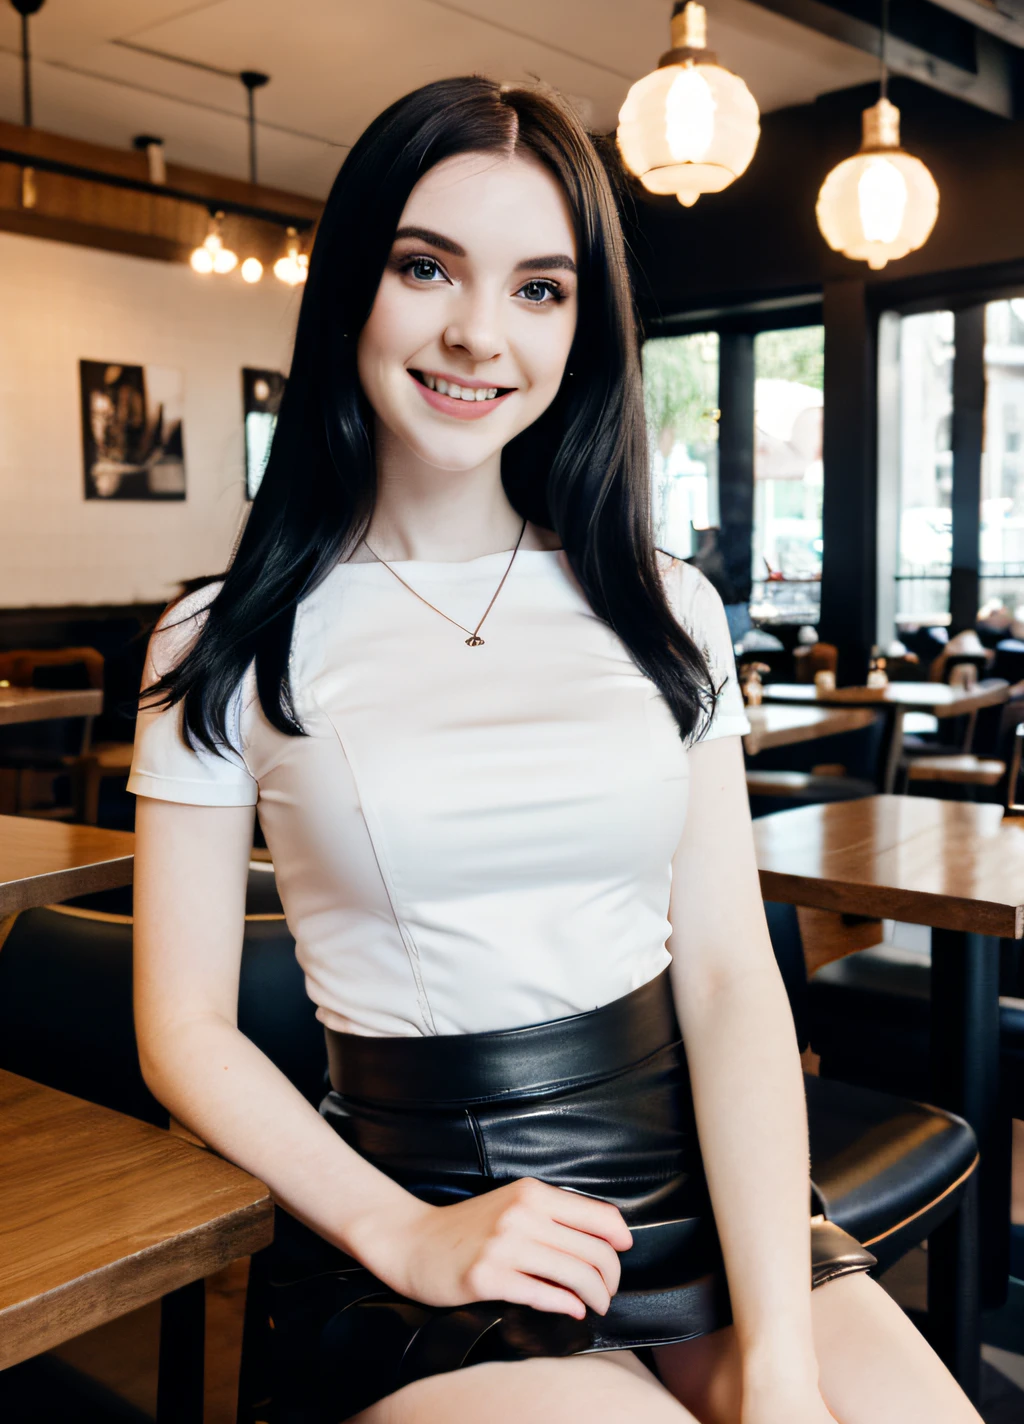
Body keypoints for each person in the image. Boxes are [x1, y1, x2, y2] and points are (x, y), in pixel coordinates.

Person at [128, 77, 981, 1424]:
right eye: (426, 268)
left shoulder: (662, 600)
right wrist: (402, 1233)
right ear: (354, 278)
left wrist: (778, 1359)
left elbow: (726, 977)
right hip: (426, 1210)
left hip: (699, 1182)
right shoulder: (224, 637)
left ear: (584, 326)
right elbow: (181, 1029)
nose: (478, 333)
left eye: (540, 288)